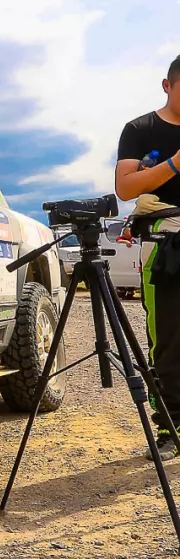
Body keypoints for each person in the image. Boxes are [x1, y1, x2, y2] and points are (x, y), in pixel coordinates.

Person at [115, 53, 180, 460]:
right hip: (166, 243)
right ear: (167, 85)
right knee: (169, 339)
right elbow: (125, 187)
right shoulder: (141, 129)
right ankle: (171, 426)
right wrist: (175, 163)